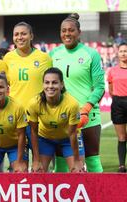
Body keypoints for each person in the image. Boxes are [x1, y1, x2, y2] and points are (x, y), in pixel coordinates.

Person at [50, 13, 105, 172]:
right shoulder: (53, 54)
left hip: (87, 116)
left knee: (92, 159)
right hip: (62, 116)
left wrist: (86, 109)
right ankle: (63, 197)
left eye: (71, 30)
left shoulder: (91, 54)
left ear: (79, 32)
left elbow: (100, 87)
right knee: (61, 162)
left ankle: (101, 196)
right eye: (63, 30)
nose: (67, 34)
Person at [3, 22, 52, 160]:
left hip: (39, 118)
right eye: (16, 34)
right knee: (20, 165)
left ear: (31, 36)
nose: (20, 37)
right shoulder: (8, 58)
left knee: (41, 164)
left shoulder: (44, 58)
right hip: (16, 119)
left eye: (23, 33)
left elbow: (51, 87)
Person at [26, 68, 84, 172]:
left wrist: (76, 160)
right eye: (47, 83)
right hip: (45, 138)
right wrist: (36, 160)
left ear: (61, 85)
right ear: (43, 84)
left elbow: (72, 134)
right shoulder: (34, 103)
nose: (50, 86)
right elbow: (33, 132)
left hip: (67, 139)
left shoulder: (72, 104)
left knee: (77, 171)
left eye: (54, 83)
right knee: (38, 171)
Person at [107, 42, 127, 172]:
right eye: (121, 51)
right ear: (117, 54)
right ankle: (122, 165)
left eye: (126, 51)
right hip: (118, 104)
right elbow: (111, 90)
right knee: (122, 137)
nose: (124, 53)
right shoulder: (112, 70)